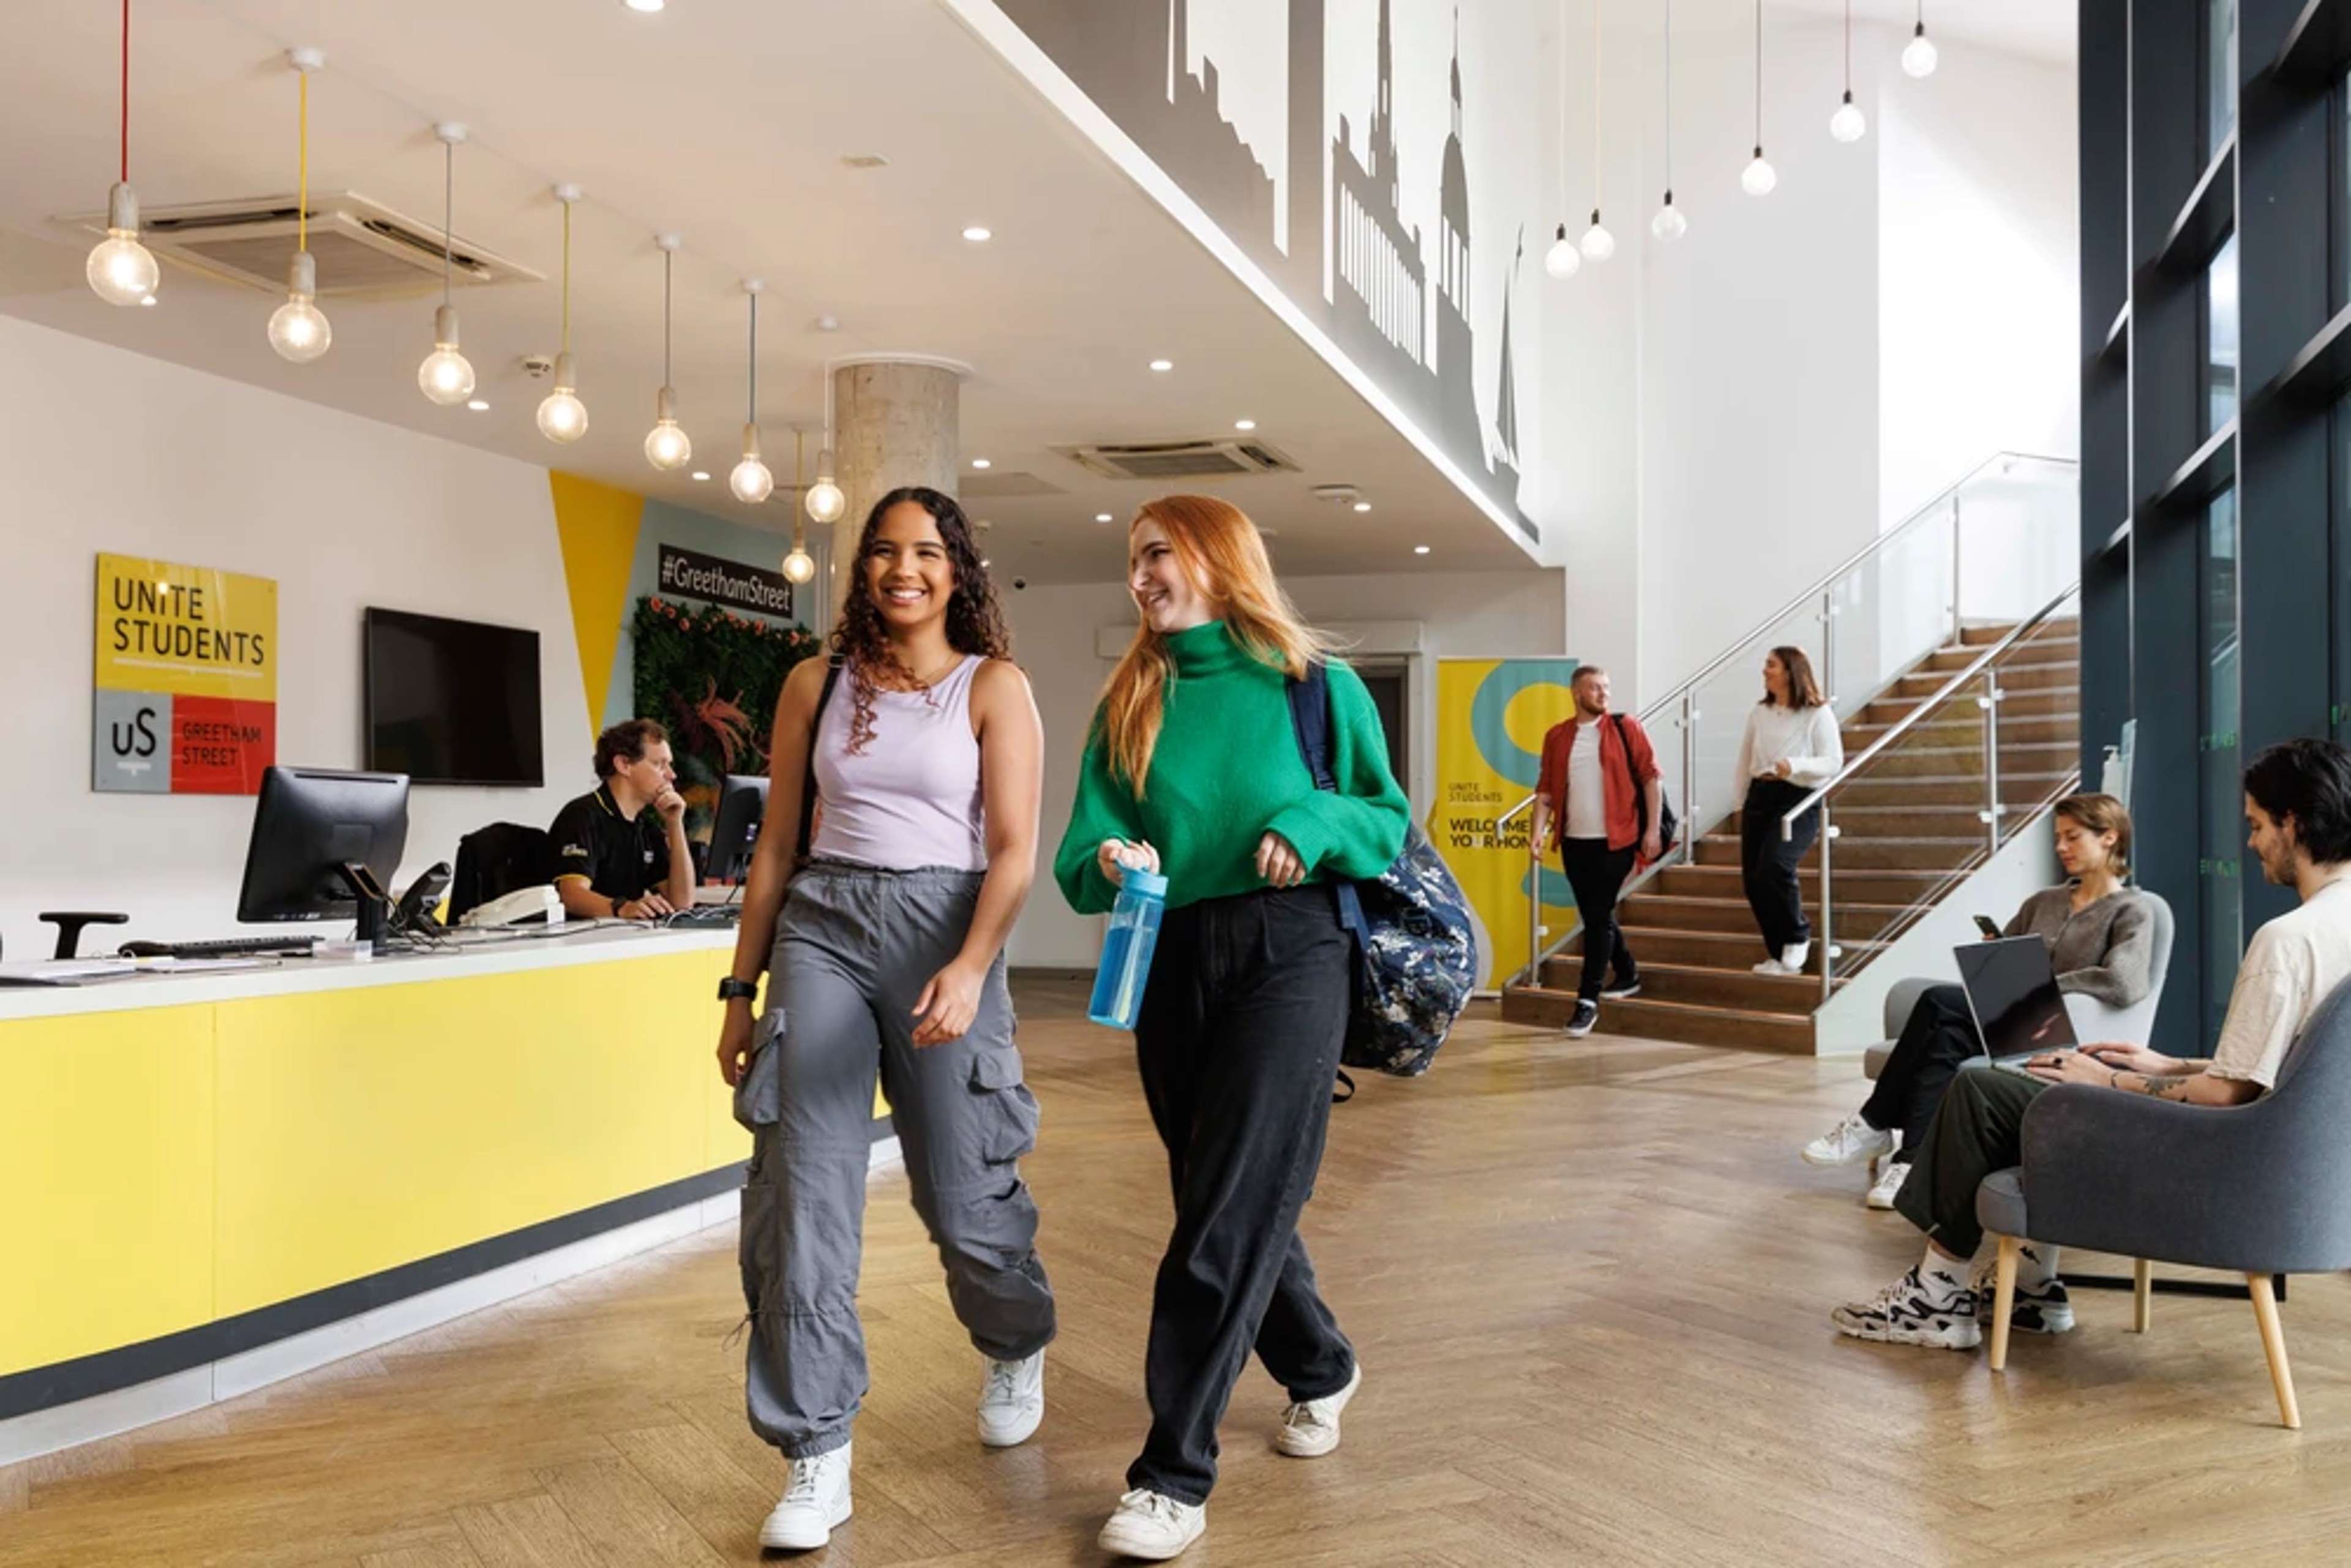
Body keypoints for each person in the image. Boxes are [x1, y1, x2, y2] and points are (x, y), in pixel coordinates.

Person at [1054, 495, 1410, 1562]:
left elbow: (1384, 816)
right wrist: (1111, 858)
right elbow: (1084, 846)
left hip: (1294, 951)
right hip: (1168, 956)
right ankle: (1321, 1363)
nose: (1140, 576)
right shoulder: (1131, 702)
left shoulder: (1316, 687)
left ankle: (1172, 1473)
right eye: (1131, 560)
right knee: (1225, 1194)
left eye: (1156, 553)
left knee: (1225, 1210)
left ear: (1216, 558)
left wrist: (1310, 823)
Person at [712, 487, 1057, 1552]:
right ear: (862, 568)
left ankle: (1015, 1338)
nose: (903, 569)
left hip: (944, 924)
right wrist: (740, 988)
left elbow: (1013, 852)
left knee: (961, 1195)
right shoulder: (814, 684)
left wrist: (968, 967)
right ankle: (816, 1447)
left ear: (958, 569)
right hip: (825, 922)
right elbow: (775, 848)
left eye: (926, 552)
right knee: (802, 1186)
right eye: (883, 552)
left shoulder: (994, 687)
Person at [1833, 738, 2351, 1350]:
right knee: (2041, 1074)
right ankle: (2031, 1285)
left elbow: (2223, 1095)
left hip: (2222, 1158)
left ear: (2293, 822)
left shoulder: (2286, 940)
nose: (2251, 842)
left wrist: (2104, 1081)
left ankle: (1936, 1293)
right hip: (2285, 1160)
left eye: (2257, 824)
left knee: (1983, 1086)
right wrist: (2168, 1062)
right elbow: (2294, 1069)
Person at [1804, 793, 2155, 1209]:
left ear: (2109, 838)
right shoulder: (2043, 902)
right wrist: (1998, 952)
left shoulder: (2133, 909)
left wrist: (2043, 986)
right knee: (1945, 1035)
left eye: (2073, 837)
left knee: (1937, 1002)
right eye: (2058, 837)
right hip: (2008, 1020)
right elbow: (2007, 962)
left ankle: (1875, 1121)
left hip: (2061, 1032)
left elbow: (2123, 982)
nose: (2061, 847)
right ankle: (1911, 1162)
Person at [1530, 666, 1665, 1038]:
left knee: (1597, 915)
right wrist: (1537, 833)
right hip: (1574, 841)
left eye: (1607, 687)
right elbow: (1545, 790)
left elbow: (1652, 778)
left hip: (1617, 840)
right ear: (1576, 693)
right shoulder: (1557, 736)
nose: (1604, 694)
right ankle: (1628, 971)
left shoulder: (1626, 728)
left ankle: (1587, 1002)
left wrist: (1652, 829)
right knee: (1595, 916)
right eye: (1595, 688)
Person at [1733, 646, 1844, 975]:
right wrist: (1740, 801)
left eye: (1771, 665)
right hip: (1760, 795)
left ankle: (1797, 935)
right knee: (1753, 880)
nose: (1764, 671)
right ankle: (1777, 951)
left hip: (1798, 798)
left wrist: (1794, 765)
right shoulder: (1759, 713)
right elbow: (1744, 759)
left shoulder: (1817, 714)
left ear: (1790, 672)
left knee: (1776, 865)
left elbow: (1833, 762)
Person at [548, 719, 696, 920]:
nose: (672, 775)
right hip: (579, 942)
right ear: (624, 765)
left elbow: (683, 903)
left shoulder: (646, 827)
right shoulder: (582, 816)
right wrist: (622, 908)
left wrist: (674, 824)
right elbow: (571, 895)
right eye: (660, 765)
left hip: (622, 939)